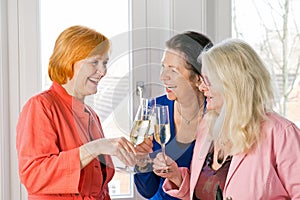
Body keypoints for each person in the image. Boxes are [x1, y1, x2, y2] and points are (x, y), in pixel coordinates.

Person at [153, 38, 300, 199]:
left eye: (207, 81)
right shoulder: (207, 127)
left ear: (232, 84)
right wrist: (176, 176)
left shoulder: (281, 134)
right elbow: (204, 191)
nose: (202, 88)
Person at [16, 25, 137, 200]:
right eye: (94, 62)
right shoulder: (40, 107)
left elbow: (99, 185)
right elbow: (33, 176)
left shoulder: (91, 115)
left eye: (105, 63)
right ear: (68, 61)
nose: (103, 72)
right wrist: (95, 147)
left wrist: (129, 154)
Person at [134, 31, 213, 199]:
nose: (163, 77)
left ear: (199, 79)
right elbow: (147, 191)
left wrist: (177, 177)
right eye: (163, 67)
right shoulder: (153, 109)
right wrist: (141, 161)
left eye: (174, 71)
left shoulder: (218, 114)